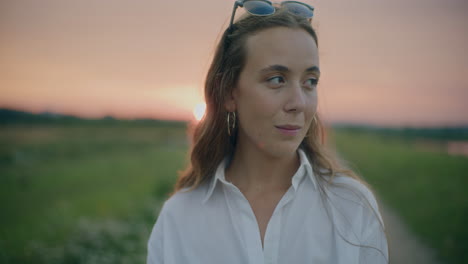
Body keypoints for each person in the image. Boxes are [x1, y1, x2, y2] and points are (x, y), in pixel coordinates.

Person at [147, 1, 389, 263]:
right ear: (229, 92)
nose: (298, 103)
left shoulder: (351, 205)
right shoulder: (180, 217)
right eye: (276, 79)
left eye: (310, 82)